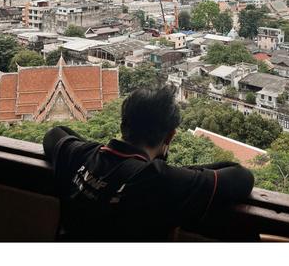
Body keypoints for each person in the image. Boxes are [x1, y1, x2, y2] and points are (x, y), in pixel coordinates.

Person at [43, 86, 257, 242]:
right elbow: (242, 177)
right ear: (170, 136)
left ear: (123, 124)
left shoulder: (82, 155)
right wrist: (175, 172)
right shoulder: (161, 179)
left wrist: (97, 152)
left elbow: (54, 134)